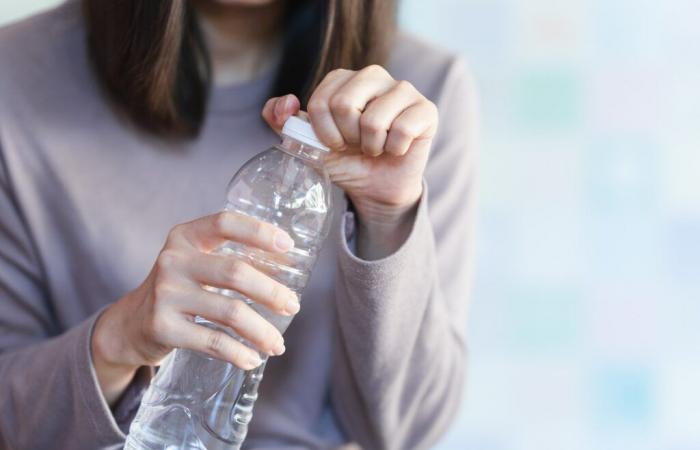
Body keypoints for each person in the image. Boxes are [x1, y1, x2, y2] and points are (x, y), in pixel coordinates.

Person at [0, 0, 477, 448]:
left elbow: (407, 428)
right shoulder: (16, 77)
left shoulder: (411, 101)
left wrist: (388, 214)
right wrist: (117, 339)